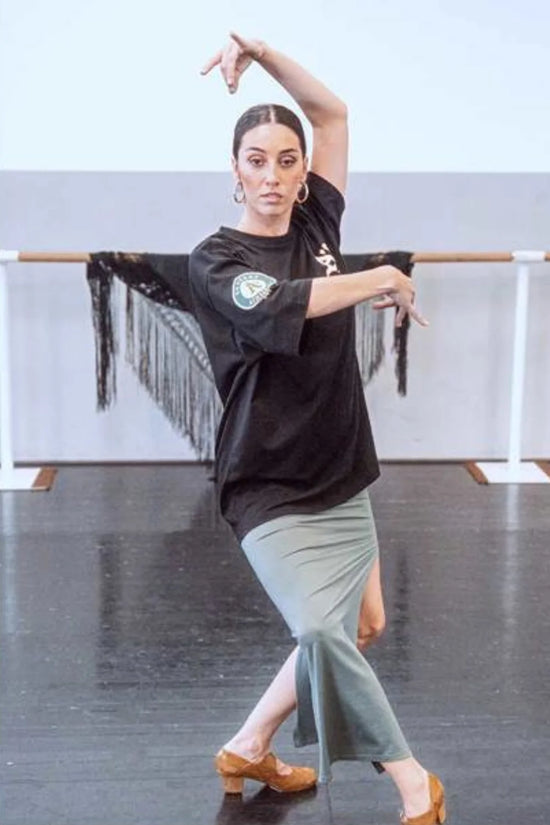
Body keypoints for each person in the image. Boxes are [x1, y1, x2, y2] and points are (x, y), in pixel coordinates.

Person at [188, 32, 446, 825]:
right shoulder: (217, 260)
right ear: (233, 168)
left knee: (361, 625)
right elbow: (282, 305)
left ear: (304, 174)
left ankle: (248, 744)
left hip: (339, 464)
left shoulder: (319, 225)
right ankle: (411, 779)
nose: (272, 174)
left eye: (287, 160)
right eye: (256, 158)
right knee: (318, 629)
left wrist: (261, 53)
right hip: (265, 482)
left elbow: (331, 112)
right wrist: (381, 274)